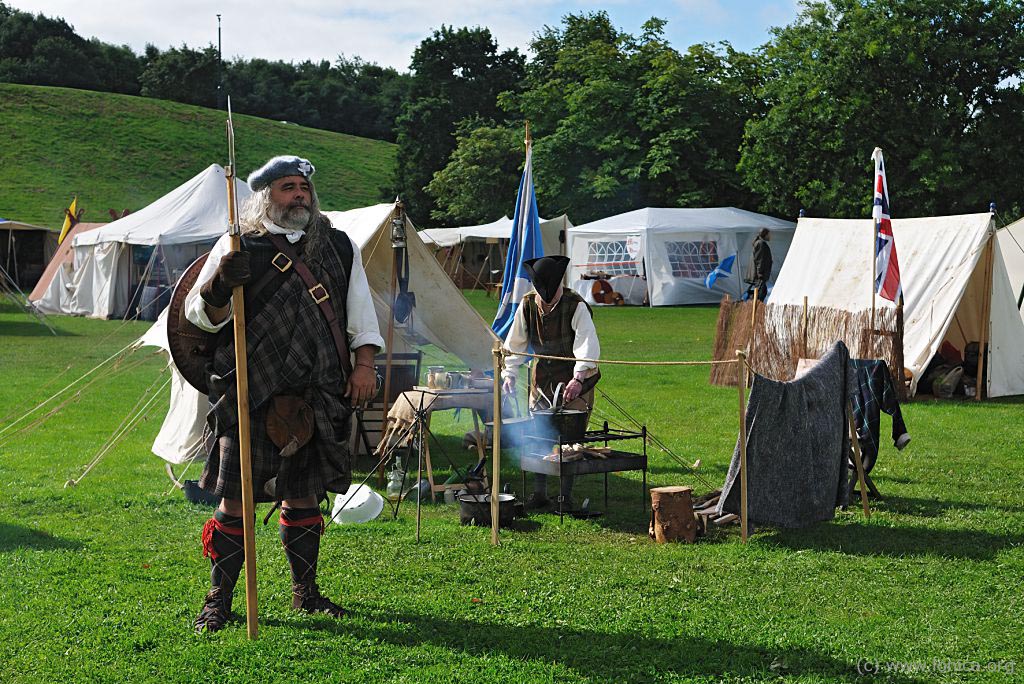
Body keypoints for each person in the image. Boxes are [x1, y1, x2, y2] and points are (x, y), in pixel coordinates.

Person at [184, 155, 384, 633]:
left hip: (316, 389)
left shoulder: (337, 246)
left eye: (304, 188)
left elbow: (360, 311)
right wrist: (217, 285)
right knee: (234, 500)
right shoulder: (237, 244)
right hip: (249, 389)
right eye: (288, 187)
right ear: (265, 195)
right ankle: (220, 599)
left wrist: (364, 363)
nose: (300, 195)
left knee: (304, 497)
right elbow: (197, 316)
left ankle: (306, 593)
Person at [501, 255, 600, 511]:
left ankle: (565, 497)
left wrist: (578, 378)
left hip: (574, 376)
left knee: (569, 437)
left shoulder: (575, 305)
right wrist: (510, 373)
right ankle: (539, 493)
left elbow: (586, 345)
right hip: (542, 379)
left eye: (551, 293)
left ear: (559, 286)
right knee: (539, 435)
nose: (547, 298)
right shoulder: (527, 306)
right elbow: (515, 344)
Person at [747, 228, 773, 301]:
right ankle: (754, 310)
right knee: (759, 295)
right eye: (769, 234)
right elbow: (759, 260)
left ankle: (755, 310)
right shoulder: (760, 244)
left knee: (762, 293)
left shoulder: (761, 243)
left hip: (761, 276)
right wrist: (760, 274)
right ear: (765, 234)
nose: (770, 236)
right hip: (760, 276)